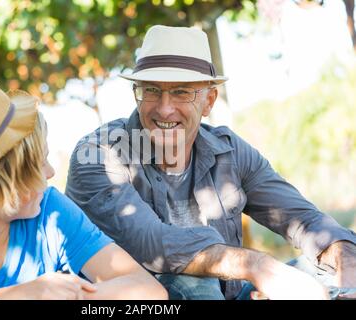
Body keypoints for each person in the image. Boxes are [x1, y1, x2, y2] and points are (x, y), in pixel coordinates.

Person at [65, 25, 356, 300]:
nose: (165, 108)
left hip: (229, 294)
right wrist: (257, 266)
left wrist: (346, 265)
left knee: (334, 261)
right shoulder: (98, 155)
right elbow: (151, 244)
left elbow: (306, 221)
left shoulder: (229, 150)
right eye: (152, 90)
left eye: (181, 91)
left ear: (209, 101)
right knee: (196, 284)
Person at [0, 77, 167, 300]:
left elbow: (149, 291)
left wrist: (70, 295)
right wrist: (16, 295)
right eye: (40, 162)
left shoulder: (50, 213)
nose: (51, 172)